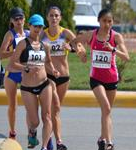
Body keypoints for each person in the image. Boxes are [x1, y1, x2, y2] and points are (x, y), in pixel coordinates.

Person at [71, 8, 130, 150]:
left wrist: (113, 49)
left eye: (110, 21)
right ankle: (109, 142)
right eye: (104, 21)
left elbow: (126, 57)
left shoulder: (116, 37)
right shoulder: (92, 35)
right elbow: (74, 42)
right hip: (96, 79)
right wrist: (81, 53)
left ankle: (101, 139)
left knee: (107, 112)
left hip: (112, 78)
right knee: (107, 107)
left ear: (113, 22)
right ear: (98, 21)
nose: (107, 24)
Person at [10, 14, 60, 150]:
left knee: (47, 116)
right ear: (29, 26)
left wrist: (54, 70)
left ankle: (44, 147)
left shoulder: (45, 45)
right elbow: (11, 64)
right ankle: (32, 131)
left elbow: (48, 62)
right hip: (28, 88)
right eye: (35, 26)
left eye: (40, 26)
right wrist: (25, 67)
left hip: (44, 84)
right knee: (35, 121)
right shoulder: (23, 44)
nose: (37, 29)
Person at [41, 5, 85, 150]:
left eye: (56, 15)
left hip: (64, 77)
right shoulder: (43, 34)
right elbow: (31, 45)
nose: (54, 18)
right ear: (47, 17)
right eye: (51, 15)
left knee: (55, 111)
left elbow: (80, 48)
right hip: (49, 76)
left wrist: (72, 49)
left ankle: (51, 141)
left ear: (60, 18)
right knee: (56, 105)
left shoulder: (65, 32)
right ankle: (59, 141)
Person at [0, 7, 29, 139]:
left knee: (31, 104)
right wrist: (16, 51)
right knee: (13, 105)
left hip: (26, 73)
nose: (19, 21)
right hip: (12, 73)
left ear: (24, 19)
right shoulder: (10, 34)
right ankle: (12, 131)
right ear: (12, 20)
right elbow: (1, 54)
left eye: (21, 18)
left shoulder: (29, 34)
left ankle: (31, 132)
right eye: (16, 19)